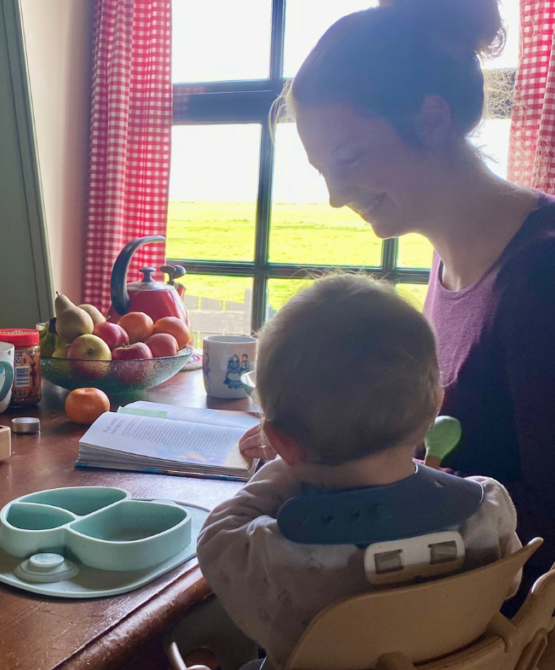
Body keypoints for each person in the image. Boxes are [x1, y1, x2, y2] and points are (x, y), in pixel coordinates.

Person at [237, 0, 555, 668]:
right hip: (474, 603)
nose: (334, 193)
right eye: (324, 169)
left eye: (350, 159)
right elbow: (449, 448)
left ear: (432, 118)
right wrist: (333, 450)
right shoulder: (452, 258)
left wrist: (349, 486)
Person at [199, 275, 521, 670]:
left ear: (281, 442)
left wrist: (285, 465)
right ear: (435, 405)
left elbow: (216, 534)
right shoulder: (488, 510)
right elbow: (508, 584)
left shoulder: (274, 552)